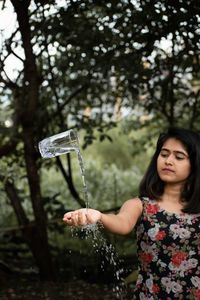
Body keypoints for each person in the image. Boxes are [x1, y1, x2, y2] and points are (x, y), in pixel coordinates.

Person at [63, 127, 200, 299]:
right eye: (164, 154)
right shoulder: (140, 205)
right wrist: (99, 216)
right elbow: (122, 223)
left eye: (179, 157)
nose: (168, 161)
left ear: (195, 165)